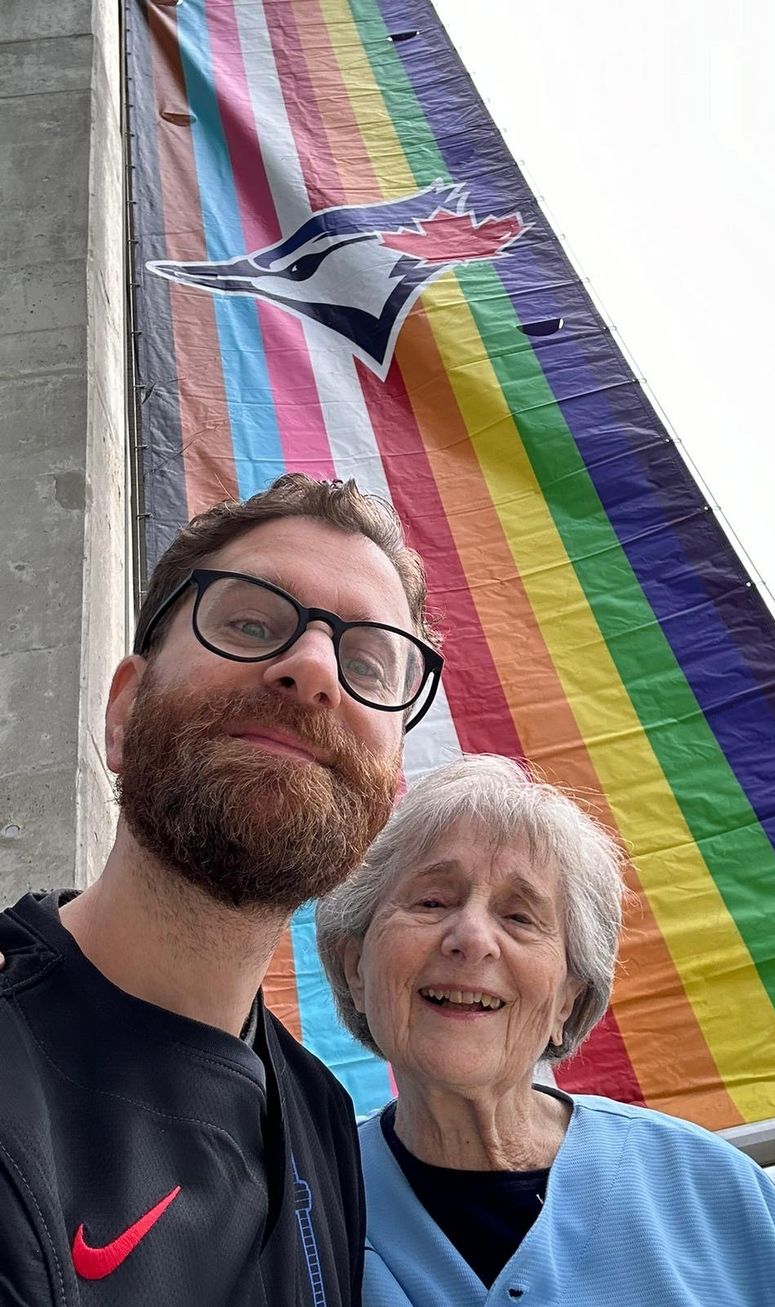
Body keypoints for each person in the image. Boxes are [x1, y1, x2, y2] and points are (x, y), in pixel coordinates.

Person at [0, 474, 443, 1307]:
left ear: (386, 798)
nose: (314, 668)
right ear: (124, 711)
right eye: (250, 621)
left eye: (367, 663)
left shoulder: (320, 1113)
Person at [316, 754, 775, 1307]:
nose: (472, 937)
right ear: (357, 968)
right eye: (432, 901)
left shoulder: (714, 1189)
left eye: (520, 917)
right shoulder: (294, 1209)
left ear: (568, 1001)